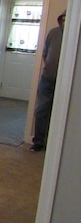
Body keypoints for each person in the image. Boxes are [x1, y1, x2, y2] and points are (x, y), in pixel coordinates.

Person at [31, 10, 66, 152]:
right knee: (41, 111)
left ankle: (57, 147)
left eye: (67, 19)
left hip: (65, 84)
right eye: (63, 19)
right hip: (47, 80)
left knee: (62, 114)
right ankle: (38, 142)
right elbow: (45, 53)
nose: (65, 22)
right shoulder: (53, 33)